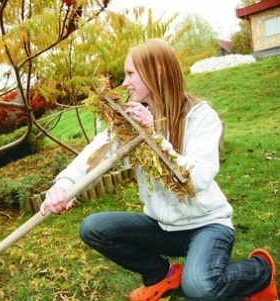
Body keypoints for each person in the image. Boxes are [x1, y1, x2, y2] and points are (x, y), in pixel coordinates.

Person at [40, 39, 277, 300]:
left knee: (199, 287)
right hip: (162, 227)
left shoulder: (201, 117)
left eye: (131, 73)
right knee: (93, 227)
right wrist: (62, 185)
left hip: (207, 224)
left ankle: (260, 271)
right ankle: (160, 276)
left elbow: (194, 180)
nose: (124, 82)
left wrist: (153, 137)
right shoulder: (130, 120)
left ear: (158, 72)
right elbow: (94, 156)